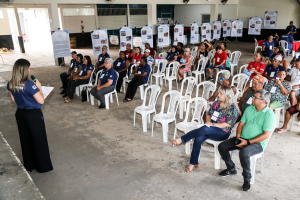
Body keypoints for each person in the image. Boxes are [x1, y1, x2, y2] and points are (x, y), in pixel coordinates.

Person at [218, 89, 276, 192]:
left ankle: (247, 179)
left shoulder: (269, 115)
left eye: (255, 97)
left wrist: (248, 142)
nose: (252, 98)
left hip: (258, 143)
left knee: (244, 153)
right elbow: (241, 124)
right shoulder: (250, 109)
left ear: (263, 101)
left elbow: (266, 135)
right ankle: (231, 168)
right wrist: (238, 137)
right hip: (243, 138)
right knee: (222, 146)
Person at [172, 86, 239, 173]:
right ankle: (193, 163)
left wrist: (212, 125)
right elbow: (209, 114)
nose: (218, 95)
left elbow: (227, 124)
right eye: (219, 93)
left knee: (204, 130)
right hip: (210, 128)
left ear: (227, 95)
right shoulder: (217, 103)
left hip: (222, 132)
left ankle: (182, 139)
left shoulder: (232, 108)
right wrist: (208, 123)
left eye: (221, 93)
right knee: (199, 138)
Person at [7, 58, 53, 173]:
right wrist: (39, 87)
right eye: (29, 68)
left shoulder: (11, 83)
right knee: (39, 140)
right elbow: (41, 101)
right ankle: (43, 166)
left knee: (25, 139)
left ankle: (29, 164)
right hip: (33, 115)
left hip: (20, 114)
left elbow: (13, 99)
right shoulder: (29, 84)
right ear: (25, 69)